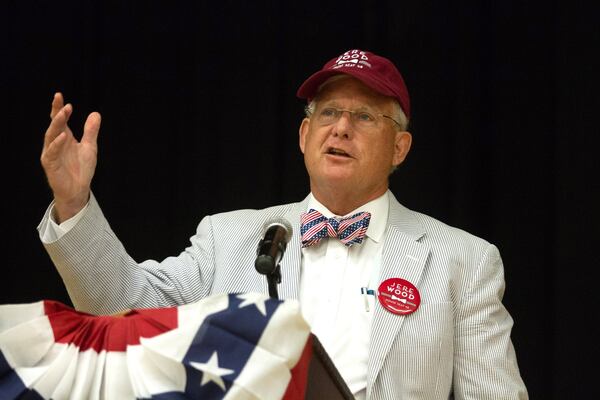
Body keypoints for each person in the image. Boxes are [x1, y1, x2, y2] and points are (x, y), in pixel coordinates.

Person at [39, 49, 528, 399]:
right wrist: (76, 203)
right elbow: (123, 307)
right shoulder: (229, 237)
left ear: (399, 148)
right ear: (303, 134)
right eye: (329, 112)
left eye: (364, 117)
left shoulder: (461, 260)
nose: (341, 128)